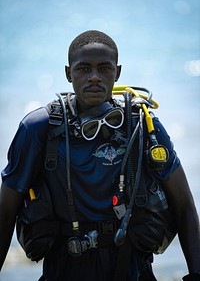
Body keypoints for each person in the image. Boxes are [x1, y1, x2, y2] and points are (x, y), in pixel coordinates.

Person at [0, 30, 200, 281]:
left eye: (104, 68)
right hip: (63, 271)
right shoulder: (39, 128)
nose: (94, 77)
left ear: (117, 72)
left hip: (133, 271)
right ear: (68, 73)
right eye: (83, 69)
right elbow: (6, 213)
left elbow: (184, 206)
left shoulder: (142, 125)